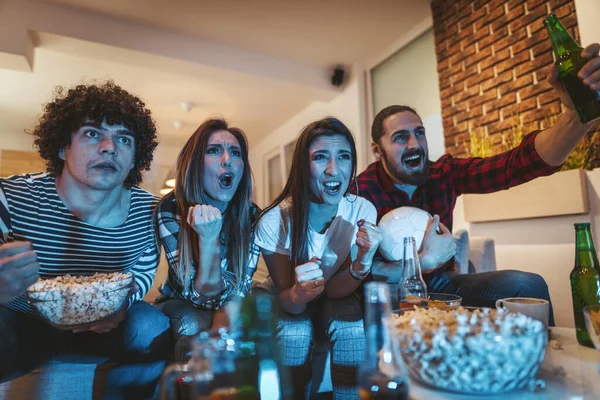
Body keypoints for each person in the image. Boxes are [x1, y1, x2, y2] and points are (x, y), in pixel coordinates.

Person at [355, 43, 600, 326]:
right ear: (377, 149)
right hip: (387, 292)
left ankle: (539, 364)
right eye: (400, 137)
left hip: (442, 286)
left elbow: (516, 165)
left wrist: (576, 116)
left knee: (526, 284)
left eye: (419, 133)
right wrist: (424, 262)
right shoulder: (361, 193)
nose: (415, 144)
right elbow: (357, 271)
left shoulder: (444, 172)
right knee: (375, 297)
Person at [0, 81, 171, 399]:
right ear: (62, 146)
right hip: (22, 321)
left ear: (135, 158)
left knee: (151, 325)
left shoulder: (151, 213)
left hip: (106, 327)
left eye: (124, 138)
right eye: (93, 133)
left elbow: (142, 276)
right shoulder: (10, 197)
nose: (109, 147)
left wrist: (122, 307)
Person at [255, 117, 383, 399]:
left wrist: (362, 262)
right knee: (294, 334)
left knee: (351, 326)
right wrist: (300, 293)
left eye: (344, 157)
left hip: (336, 294)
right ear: (303, 166)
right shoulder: (274, 220)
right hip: (289, 299)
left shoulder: (362, 210)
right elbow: (292, 304)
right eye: (320, 157)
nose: (333, 169)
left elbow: (338, 290)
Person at [154, 118, 259, 361]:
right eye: (213, 151)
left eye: (235, 153)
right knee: (192, 321)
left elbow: (238, 291)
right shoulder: (171, 209)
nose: (227, 159)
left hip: (229, 303)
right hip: (179, 302)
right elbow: (200, 295)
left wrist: (219, 336)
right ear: (195, 165)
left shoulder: (252, 215)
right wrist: (209, 238)